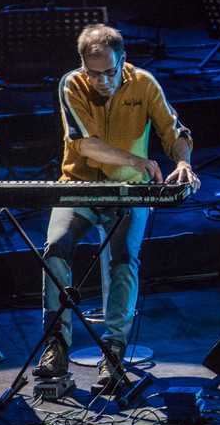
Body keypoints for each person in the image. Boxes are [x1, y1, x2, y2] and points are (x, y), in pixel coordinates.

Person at [33, 24, 200, 392]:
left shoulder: (144, 83)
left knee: (123, 256)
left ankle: (113, 350)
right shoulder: (71, 84)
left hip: (128, 192)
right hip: (78, 186)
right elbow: (86, 146)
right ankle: (56, 346)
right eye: (94, 73)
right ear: (82, 65)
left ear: (123, 60)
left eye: (110, 72)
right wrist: (136, 160)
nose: (102, 81)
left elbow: (174, 132)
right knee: (55, 248)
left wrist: (183, 163)